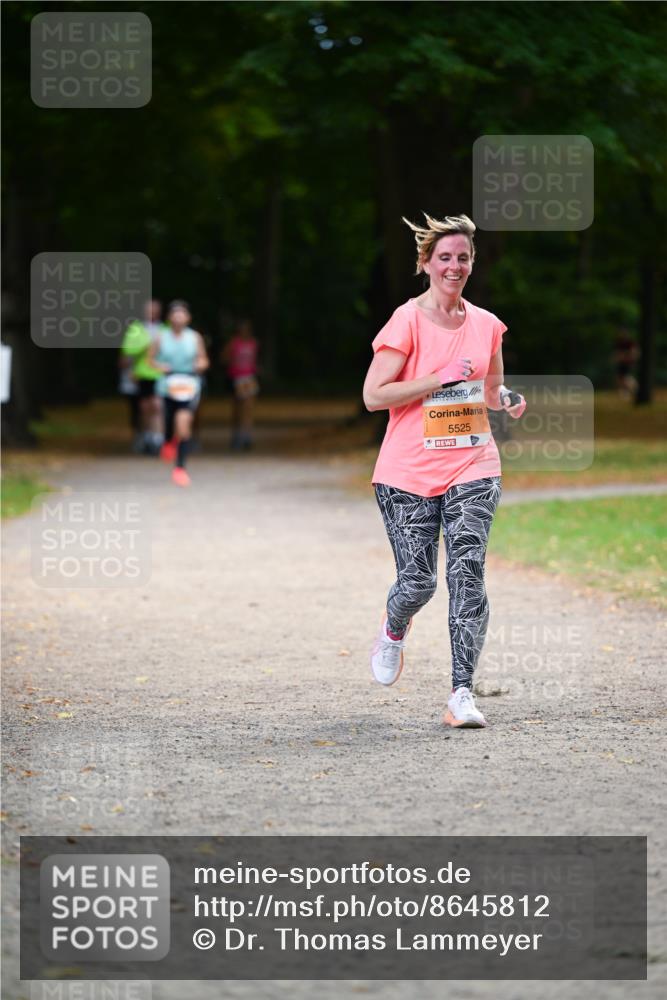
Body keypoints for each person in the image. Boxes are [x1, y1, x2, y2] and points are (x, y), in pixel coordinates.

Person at [362, 213, 526, 729]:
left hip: (473, 463)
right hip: (407, 470)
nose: (455, 266)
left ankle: (461, 694)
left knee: (467, 574)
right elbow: (373, 396)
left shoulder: (486, 325)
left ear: (472, 264)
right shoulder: (406, 320)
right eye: (445, 257)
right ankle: (393, 626)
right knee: (419, 582)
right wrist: (435, 378)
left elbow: (487, 387)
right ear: (426, 263)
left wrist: (507, 398)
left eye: (463, 258)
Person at [149, 300, 210, 487]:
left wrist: (199, 365)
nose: (178, 317)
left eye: (182, 313)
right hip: (167, 384)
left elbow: (204, 361)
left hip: (188, 384)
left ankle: (180, 468)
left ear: (188, 318)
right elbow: (150, 359)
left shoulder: (195, 338)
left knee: (183, 423)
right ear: (169, 318)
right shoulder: (161, 337)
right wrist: (161, 366)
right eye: (175, 313)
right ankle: (167, 441)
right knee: (168, 419)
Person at [119, 299, 165, 454]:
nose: (152, 312)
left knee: (157, 405)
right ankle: (145, 435)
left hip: (159, 374)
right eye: (149, 309)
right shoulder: (136, 329)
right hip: (141, 373)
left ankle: (157, 438)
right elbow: (127, 354)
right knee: (144, 408)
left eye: (155, 309)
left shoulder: (164, 329)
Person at [221, 319, 259, 451]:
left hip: (249, 378)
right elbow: (224, 358)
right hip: (237, 378)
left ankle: (246, 436)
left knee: (248, 407)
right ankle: (236, 435)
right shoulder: (234, 343)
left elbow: (255, 359)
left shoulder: (253, 343)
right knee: (238, 409)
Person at [614, 329, 639, 399]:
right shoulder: (619, 343)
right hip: (621, 363)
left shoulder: (630, 343)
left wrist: (625, 356)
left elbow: (634, 353)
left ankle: (635, 389)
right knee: (620, 379)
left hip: (628, 363)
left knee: (626, 379)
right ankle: (626, 394)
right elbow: (617, 354)